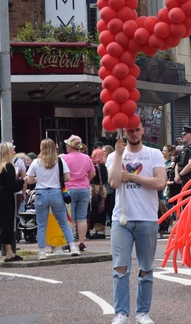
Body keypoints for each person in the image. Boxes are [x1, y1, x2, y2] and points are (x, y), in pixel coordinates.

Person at [107, 119, 167, 324]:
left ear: (143, 130)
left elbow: (160, 182)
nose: (134, 134)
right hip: (121, 219)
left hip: (147, 218)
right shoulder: (114, 156)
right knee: (120, 268)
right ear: (124, 131)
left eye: (137, 130)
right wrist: (118, 154)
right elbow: (114, 182)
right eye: (130, 130)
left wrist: (132, 177)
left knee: (146, 269)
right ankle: (121, 314)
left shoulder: (154, 154)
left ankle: (142, 313)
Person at [27, 139, 78, 259]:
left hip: (41, 193)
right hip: (56, 193)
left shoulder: (36, 162)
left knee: (41, 225)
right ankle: (72, 247)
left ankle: (42, 252)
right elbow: (67, 178)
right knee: (63, 222)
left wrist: (39, 179)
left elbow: (30, 180)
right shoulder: (59, 161)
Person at [62, 135, 96, 251]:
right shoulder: (86, 158)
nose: (66, 146)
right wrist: (85, 180)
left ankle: (70, 243)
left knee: (69, 217)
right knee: (81, 218)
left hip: (69, 189)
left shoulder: (65, 158)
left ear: (70, 146)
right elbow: (92, 173)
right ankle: (82, 242)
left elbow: (62, 174)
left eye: (67, 144)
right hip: (84, 189)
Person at [89, 149, 110, 239]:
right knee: (102, 209)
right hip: (104, 189)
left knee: (96, 209)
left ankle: (99, 230)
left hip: (97, 189)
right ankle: (102, 230)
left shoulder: (95, 167)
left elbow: (92, 177)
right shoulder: (104, 167)